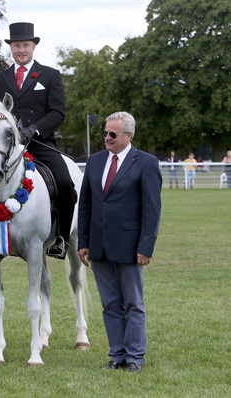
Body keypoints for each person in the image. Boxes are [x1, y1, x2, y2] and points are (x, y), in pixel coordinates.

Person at [0, 21, 71, 262]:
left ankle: (61, 238)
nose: (21, 49)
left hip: (39, 144)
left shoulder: (50, 75)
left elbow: (58, 112)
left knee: (64, 182)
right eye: (16, 45)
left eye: (25, 45)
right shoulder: (0, 79)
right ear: (11, 48)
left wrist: (35, 129)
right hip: (4, 148)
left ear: (33, 46)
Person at [77, 112, 162, 374]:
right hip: (99, 245)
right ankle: (117, 355)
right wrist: (84, 242)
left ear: (129, 135)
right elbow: (87, 205)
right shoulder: (94, 161)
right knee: (110, 304)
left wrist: (145, 247)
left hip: (130, 246)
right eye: (105, 133)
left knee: (133, 303)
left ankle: (135, 357)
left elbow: (152, 209)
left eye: (112, 134)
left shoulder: (146, 163)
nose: (107, 138)